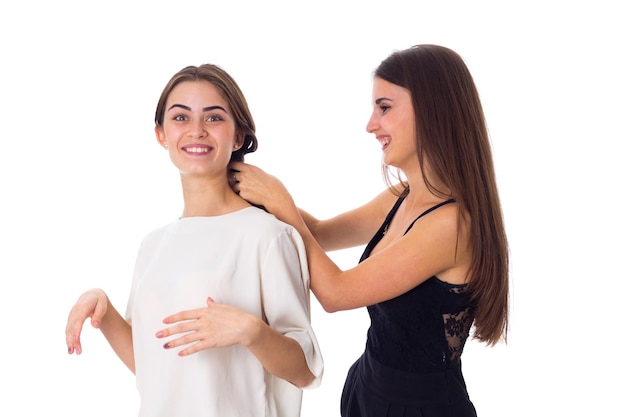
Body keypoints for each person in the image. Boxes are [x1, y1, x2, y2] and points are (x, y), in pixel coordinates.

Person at [230, 44, 509, 417]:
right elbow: (318, 233)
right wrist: (241, 181)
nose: (370, 124)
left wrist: (279, 200)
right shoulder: (402, 196)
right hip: (368, 390)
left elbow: (335, 293)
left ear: (432, 108)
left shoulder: (452, 225)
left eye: (385, 107)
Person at [65, 64, 323, 417]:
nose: (197, 131)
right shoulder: (153, 245)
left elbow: (305, 370)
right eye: (181, 118)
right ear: (161, 134)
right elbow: (154, 367)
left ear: (238, 137)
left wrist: (251, 331)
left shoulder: (268, 235)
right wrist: (105, 311)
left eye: (214, 118)